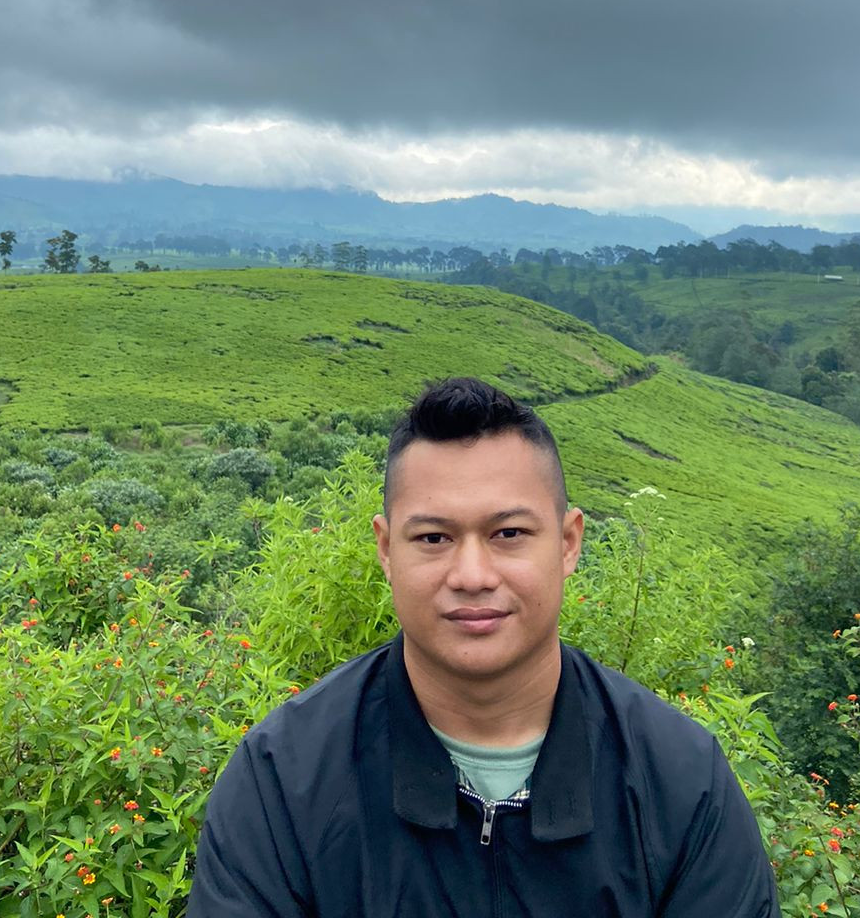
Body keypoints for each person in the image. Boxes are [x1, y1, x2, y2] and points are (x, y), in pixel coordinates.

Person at [188, 377, 779, 916]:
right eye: (433, 537)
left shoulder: (680, 781)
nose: (472, 575)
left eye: (509, 533)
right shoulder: (283, 779)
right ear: (387, 550)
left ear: (569, 543)